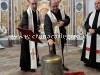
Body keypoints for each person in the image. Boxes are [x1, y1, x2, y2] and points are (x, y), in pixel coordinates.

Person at [44, 0, 70, 71]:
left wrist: (63, 22)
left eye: (56, 6)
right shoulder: (47, 15)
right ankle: (54, 67)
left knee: (61, 51)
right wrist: (49, 38)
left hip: (61, 35)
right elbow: (47, 27)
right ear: (50, 6)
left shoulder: (61, 12)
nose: (55, 8)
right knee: (53, 53)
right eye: (53, 6)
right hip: (52, 37)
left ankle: (62, 65)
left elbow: (68, 19)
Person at [20, 0, 41, 72]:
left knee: (34, 49)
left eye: (35, 4)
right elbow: (24, 23)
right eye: (33, 4)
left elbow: (38, 22)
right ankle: (28, 66)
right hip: (27, 35)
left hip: (34, 34)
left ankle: (35, 62)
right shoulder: (26, 13)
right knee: (27, 51)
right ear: (29, 4)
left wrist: (38, 26)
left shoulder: (37, 13)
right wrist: (27, 32)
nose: (34, 6)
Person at [81, 0, 100, 71]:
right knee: (90, 50)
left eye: (98, 3)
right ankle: (89, 62)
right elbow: (86, 23)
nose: (96, 5)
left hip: (98, 35)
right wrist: (89, 29)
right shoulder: (91, 14)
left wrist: (95, 30)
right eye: (95, 4)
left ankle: (98, 65)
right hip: (91, 35)